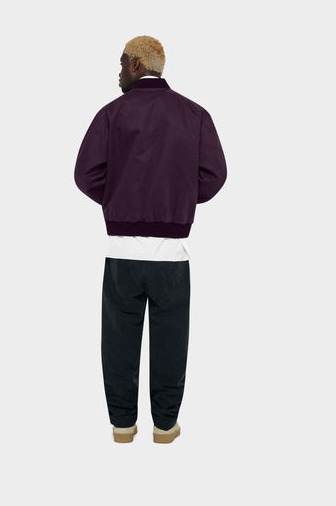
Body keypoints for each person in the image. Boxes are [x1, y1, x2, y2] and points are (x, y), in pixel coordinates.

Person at [74, 35, 227, 443]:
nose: (118, 72)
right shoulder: (194, 115)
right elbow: (215, 175)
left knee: (118, 345)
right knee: (170, 346)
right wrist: (178, 197)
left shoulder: (111, 114)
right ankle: (165, 426)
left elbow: (85, 174)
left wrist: (120, 199)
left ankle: (123, 426)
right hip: (172, 256)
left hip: (121, 253)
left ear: (137, 64)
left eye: (121, 63)